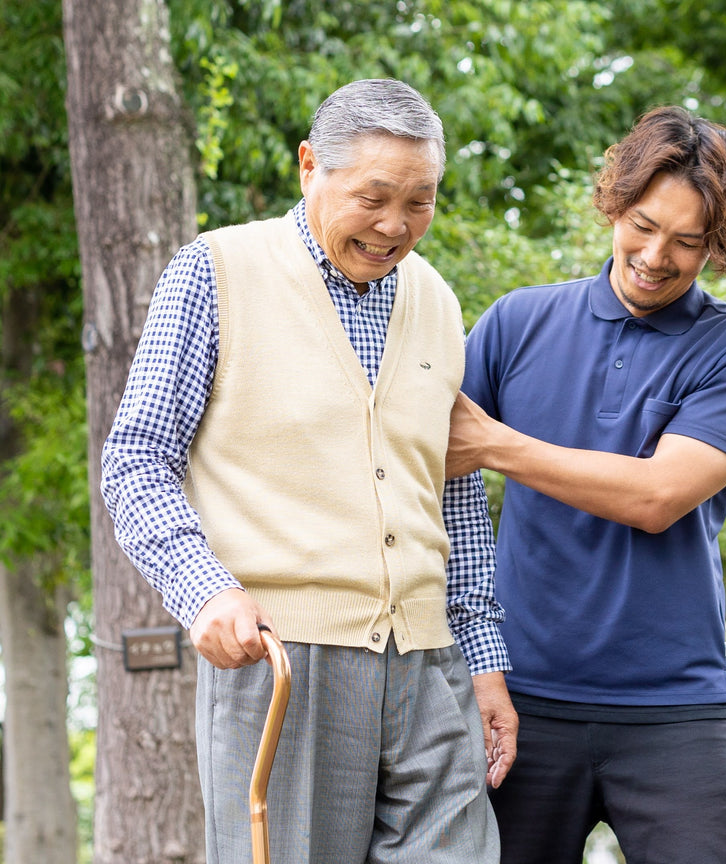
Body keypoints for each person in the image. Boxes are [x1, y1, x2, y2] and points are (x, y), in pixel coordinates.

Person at [101, 78, 515, 864]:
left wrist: (485, 661)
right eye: (374, 197)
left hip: (432, 670)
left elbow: (451, 489)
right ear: (308, 167)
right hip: (284, 664)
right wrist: (205, 588)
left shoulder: (437, 300)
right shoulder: (215, 270)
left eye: (421, 201)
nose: (396, 226)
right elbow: (136, 459)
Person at [447, 105, 726, 864]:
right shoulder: (514, 325)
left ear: (718, 247)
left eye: (687, 241)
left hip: (676, 710)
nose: (655, 256)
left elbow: (656, 497)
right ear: (613, 203)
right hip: (519, 699)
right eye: (642, 224)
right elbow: (430, 479)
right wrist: (475, 665)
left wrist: (497, 445)